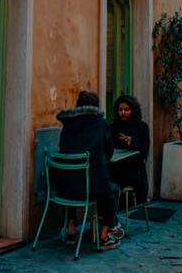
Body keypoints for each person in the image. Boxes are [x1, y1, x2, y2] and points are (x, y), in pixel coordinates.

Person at [56, 90, 121, 250]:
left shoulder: (68, 124)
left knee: (75, 180)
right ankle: (105, 235)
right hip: (91, 187)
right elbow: (109, 152)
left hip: (64, 186)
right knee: (112, 191)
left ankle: (71, 229)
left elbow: (61, 147)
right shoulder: (99, 124)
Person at [109, 94, 150, 204]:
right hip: (116, 169)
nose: (123, 113)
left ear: (133, 110)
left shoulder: (142, 127)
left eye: (126, 110)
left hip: (134, 170)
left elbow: (145, 152)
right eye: (120, 110)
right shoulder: (113, 128)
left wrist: (133, 142)